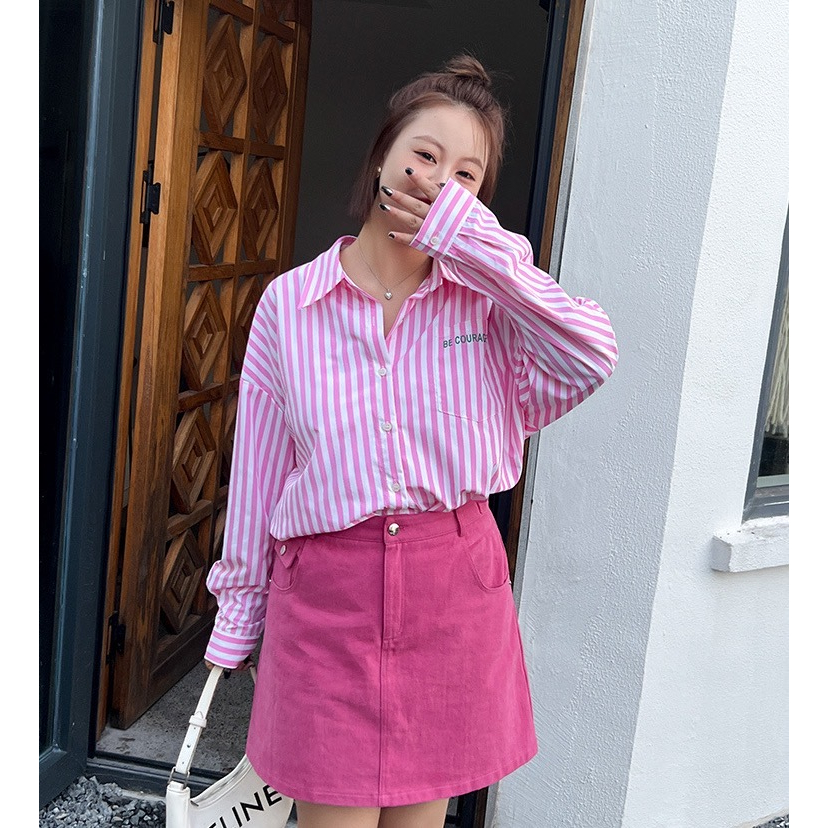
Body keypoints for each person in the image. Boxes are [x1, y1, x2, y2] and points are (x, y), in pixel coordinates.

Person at [203, 54, 618, 828]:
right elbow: (261, 471)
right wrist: (238, 614)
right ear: (382, 156)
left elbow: (590, 353)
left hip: (452, 596)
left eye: (466, 176)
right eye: (425, 155)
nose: (438, 182)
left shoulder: (490, 306)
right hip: (325, 602)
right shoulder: (290, 306)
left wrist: (480, 249)